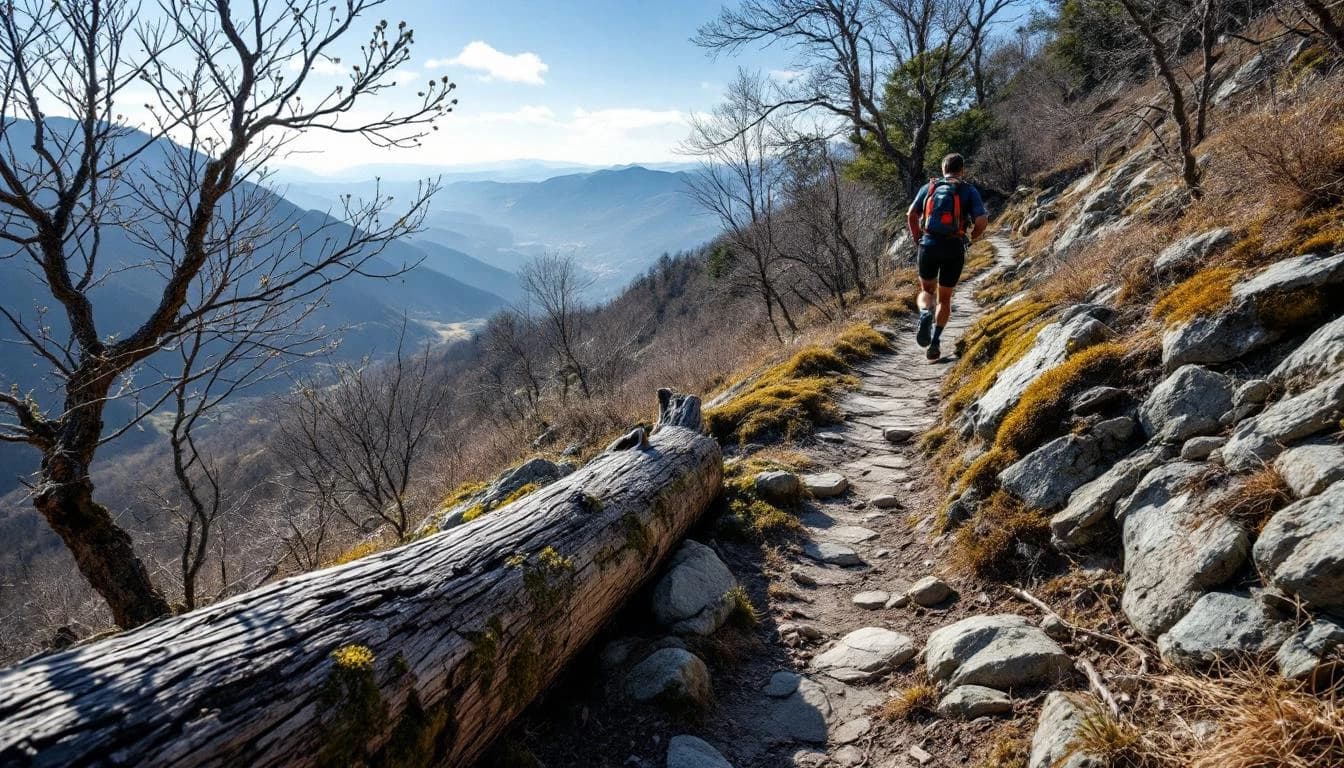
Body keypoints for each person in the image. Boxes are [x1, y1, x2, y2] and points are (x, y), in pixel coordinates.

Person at [906, 153, 989, 361]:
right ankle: (934, 342)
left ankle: (925, 313)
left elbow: (911, 215)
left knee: (926, 290)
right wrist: (973, 237)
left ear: (943, 168)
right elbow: (981, 220)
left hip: (929, 245)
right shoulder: (968, 190)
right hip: (954, 247)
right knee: (945, 298)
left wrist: (918, 238)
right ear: (962, 170)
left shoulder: (930, 187)